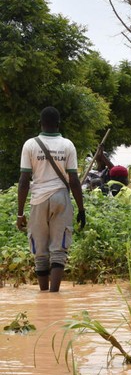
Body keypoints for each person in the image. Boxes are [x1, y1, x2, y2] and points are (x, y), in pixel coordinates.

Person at [16, 107, 86, 292]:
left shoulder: (29, 145)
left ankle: (43, 295)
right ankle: (54, 295)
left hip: (38, 199)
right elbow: (74, 181)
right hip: (61, 198)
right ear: (58, 124)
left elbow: (24, 181)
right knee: (58, 249)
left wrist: (20, 213)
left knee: (40, 249)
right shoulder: (68, 145)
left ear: (40, 123)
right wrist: (81, 209)